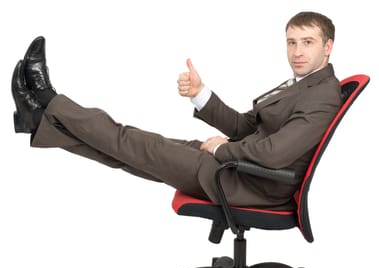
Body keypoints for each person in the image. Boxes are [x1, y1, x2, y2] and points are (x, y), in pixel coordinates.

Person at [11, 11, 342, 210]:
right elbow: (244, 127)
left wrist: (223, 149)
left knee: (130, 142)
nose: (296, 51)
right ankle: (39, 119)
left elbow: (273, 153)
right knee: (129, 146)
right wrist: (201, 95)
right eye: (291, 42)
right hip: (241, 170)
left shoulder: (322, 95)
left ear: (327, 46)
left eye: (308, 42)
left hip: (249, 183)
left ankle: (48, 99)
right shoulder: (302, 85)